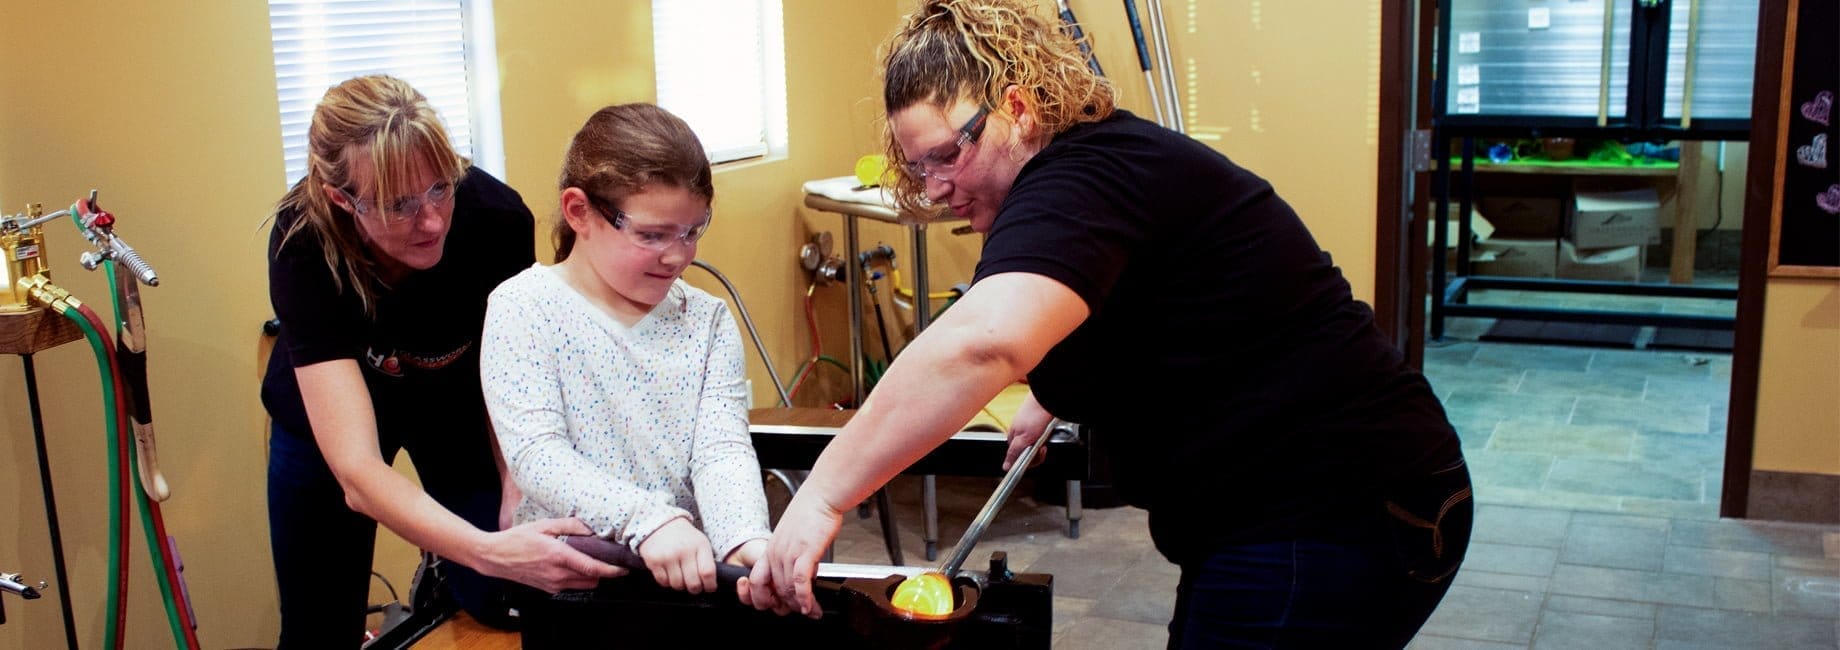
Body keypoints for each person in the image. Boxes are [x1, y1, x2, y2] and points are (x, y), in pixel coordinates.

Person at [741, 2, 1472, 647]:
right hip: (1304, 507)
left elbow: (983, 341)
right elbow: (1153, 292)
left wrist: (824, 495)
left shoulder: (1081, 177)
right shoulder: (1094, 167)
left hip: (1340, 509)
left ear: (1019, 108)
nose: (934, 188)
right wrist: (1061, 387)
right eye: (915, 166)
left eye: (947, 154)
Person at [261, 74, 625, 647]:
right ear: (341, 199)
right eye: (399, 204)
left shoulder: (496, 218)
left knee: (499, 596)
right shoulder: (303, 244)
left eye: (439, 188)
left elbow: (510, 373)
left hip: (457, 397)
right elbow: (357, 474)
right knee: (318, 627)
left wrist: (515, 488)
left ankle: (444, 572)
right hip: (330, 418)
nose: (431, 221)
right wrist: (486, 549)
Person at [480, 103, 770, 596]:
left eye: (692, 231)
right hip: (574, 586)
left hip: (685, 579)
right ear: (579, 212)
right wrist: (648, 520)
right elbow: (538, 455)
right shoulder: (523, 308)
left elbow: (720, 451)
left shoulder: (707, 320)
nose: (678, 255)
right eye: (652, 235)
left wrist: (744, 541)